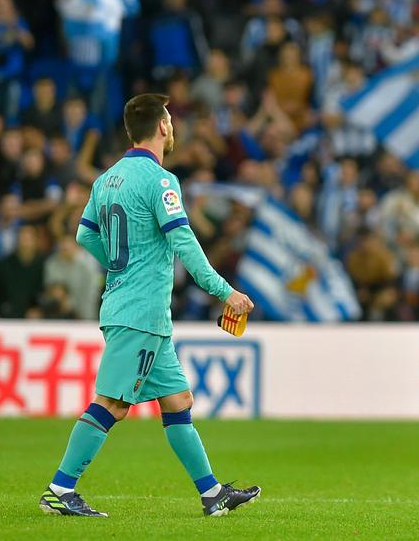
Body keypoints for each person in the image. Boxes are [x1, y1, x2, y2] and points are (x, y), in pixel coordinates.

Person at [39, 94, 261, 518]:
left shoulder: (105, 180)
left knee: (178, 401)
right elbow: (184, 241)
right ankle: (59, 489)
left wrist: (120, 265)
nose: (172, 125)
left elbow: (85, 235)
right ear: (162, 127)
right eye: (170, 119)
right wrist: (224, 290)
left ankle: (212, 494)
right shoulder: (161, 181)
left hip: (137, 310)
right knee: (113, 404)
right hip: (139, 312)